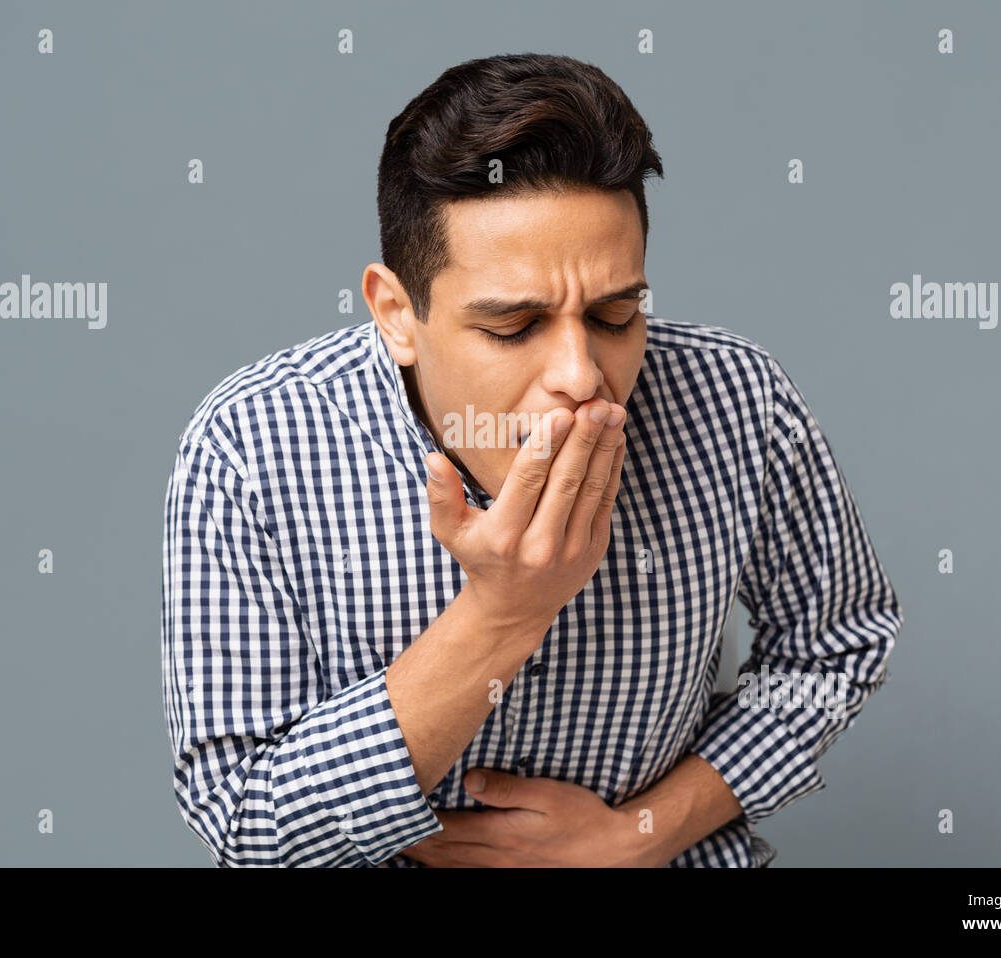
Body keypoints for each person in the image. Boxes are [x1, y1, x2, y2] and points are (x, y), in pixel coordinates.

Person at [160, 52, 904, 867]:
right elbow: (246, 827)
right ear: (396, 313)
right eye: (514, 327)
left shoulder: (737, 401)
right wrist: (502, 613)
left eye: (616, 315)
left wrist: (644, 833)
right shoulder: (253, 445)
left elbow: (836, 644)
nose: (582, 376)